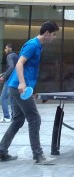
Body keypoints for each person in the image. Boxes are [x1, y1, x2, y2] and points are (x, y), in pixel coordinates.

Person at [0, 20, 59, 164]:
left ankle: (1, 151)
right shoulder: (32, 45)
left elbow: (30, 70)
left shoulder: (39, 46)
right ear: (46, 33)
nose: (54, 37)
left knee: (18, 120)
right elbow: (19, 63)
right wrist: (22, 83)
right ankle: (38, 156)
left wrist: (30, 89)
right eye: (54, 34)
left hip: (18, 88)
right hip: (18, 87)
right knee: (34, 119)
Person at [0, 44, 18, 122]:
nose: (5, 50)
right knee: (12, 99)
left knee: (3, 97)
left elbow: (11, 67)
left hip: (10, 80)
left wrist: (4, 77)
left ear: (10, 48)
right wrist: (3, 74)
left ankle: (6, 117)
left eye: (6, 48)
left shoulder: (9, 56)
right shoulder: (15, 56)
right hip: (15, 79)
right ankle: (14, 117)